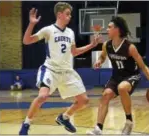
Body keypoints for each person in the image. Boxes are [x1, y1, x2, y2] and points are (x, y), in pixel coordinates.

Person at [19, 2, 101, 135]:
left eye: (70, 14)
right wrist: (32, 23)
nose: (70, 17)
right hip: (51, 70)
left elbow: (74, 52)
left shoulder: (70, 32)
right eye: (67, 14)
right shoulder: (48, 30)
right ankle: (26, 124)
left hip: (67, 71)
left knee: (84, 100)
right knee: (43, 96)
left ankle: (64, 117)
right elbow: (26, 41)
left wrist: (91, 45)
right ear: (59, 14)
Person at [87, 16, 149, 135]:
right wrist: (99, 61)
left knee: (122, 88)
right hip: (116, 76)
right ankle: (98, 129)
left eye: (109, 27)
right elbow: (103, 56)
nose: (107, 29)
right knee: (106, 95)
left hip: (131, 76)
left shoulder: (130, 47)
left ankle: (129, 122)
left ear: (117, 29)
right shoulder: (106, 45)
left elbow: (143, 66)